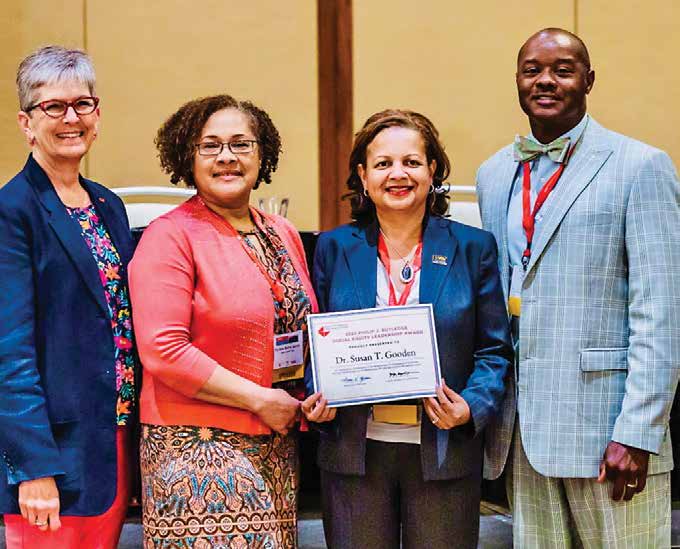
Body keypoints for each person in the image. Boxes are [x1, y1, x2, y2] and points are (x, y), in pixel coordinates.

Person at [477, 28, 680, 547]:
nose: (546, 80)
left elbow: (662, 311)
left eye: (562, 70)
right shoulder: (494, 173)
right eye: (532, 70)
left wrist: (637, 431)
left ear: (588, 80)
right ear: (517, 80)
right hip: (522, 432)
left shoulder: (641, 166)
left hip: (608, 429)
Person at [308, 109, 513, 549]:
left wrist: (470, 408)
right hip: (353, 449)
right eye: (383, 164)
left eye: (411, 162)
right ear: (363, 176)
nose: (397, 174)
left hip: (442, 448)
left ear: (432, 170)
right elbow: (316, 341)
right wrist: (316, 393)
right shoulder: (332, 247)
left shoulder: (473, 247)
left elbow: (494, 350)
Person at [129, 94, 323, 548]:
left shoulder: (281, 233)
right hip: (195, 454)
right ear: (187, 158)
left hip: (275, 445)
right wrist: (260, 400)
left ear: (263, 154)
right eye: (210, 146)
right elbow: (164, 351)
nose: (226, 158)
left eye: (241, 144)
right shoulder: (170, 236)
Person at [0, 46, 138, 548]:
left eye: (82, 104)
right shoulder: (12, 211)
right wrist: (33, 467)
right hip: (52, 456)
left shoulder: (108, 204)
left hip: (114, 438)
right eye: (53, 107)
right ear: (26, 122)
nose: (70, 118)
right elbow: (8, 352)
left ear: (97, 115)